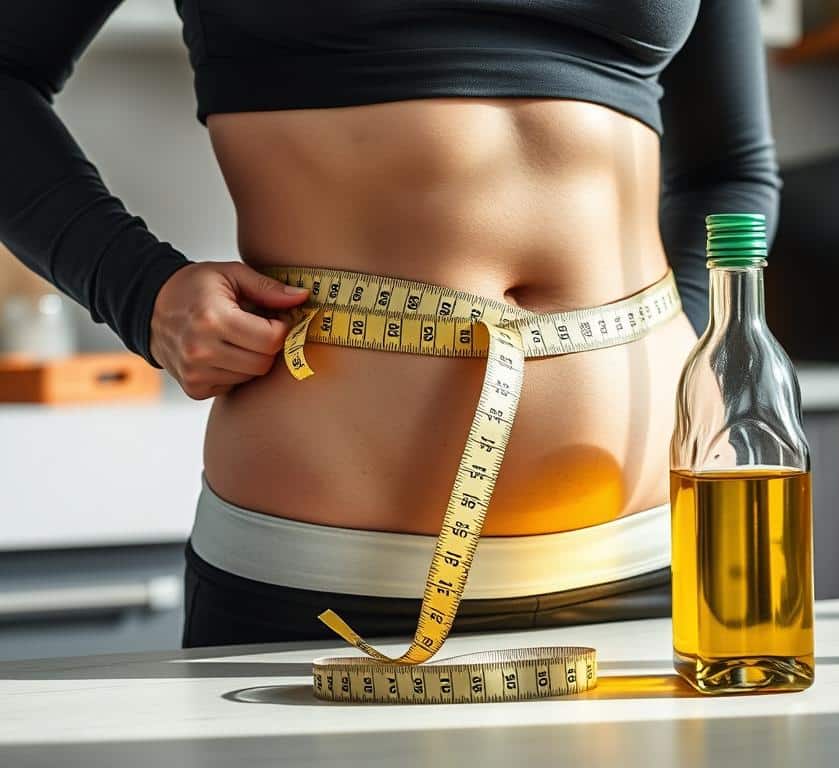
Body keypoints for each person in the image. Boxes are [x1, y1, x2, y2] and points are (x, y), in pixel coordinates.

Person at [0, 1, 780, 648]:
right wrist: (141, 290)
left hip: (653, 548)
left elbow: (729, 170)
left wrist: (699, 339)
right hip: (325, 575)